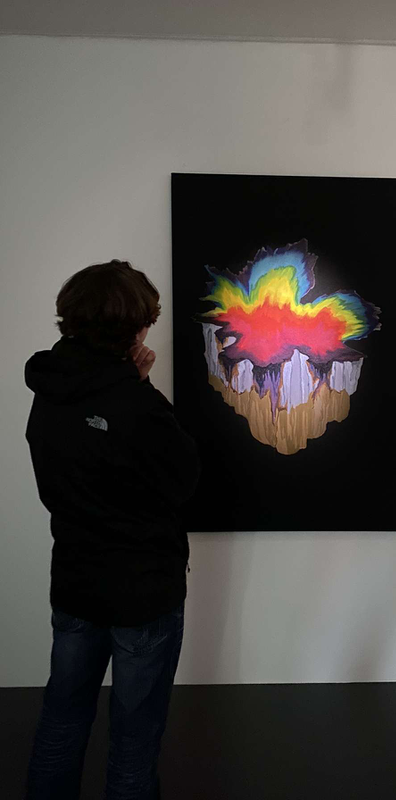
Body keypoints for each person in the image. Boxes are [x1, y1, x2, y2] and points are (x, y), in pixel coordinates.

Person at [24, 260, 200, 800]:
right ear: (137, 328)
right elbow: (183, 478)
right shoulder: (134, 402)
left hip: (75, 580)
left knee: (61, 717)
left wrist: (131, 382)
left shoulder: (50, 387)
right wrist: (140, 385)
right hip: (143, 592)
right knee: (134, 738)